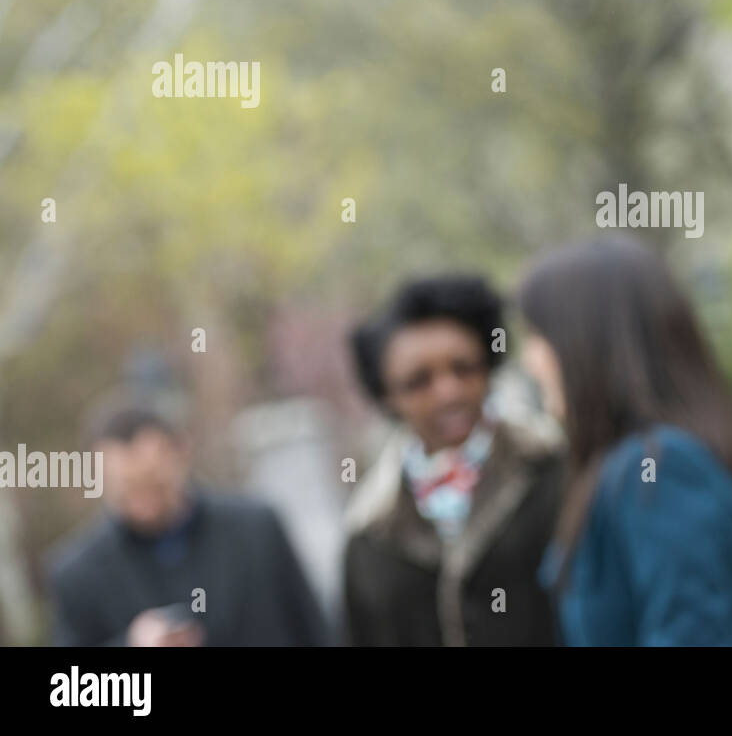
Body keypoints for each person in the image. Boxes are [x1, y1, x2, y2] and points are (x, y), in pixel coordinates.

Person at [520, 236, 732, 646]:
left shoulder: (660, 466)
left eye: (538, 335)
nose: (529, 358)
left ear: (587, 338)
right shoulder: (624, 464)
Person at [342, 275, 564, 645]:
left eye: (463, 368)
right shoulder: (369, 532)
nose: (448, 392)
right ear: (387, 397)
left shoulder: (554, 472)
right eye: (418, 381)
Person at [46, 402, 330, 646]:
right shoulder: (78, 577)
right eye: (128, 489)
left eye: (154, 482)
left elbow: (316, 632)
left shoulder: (256, 529)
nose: (145, 502)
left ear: (181, 451)